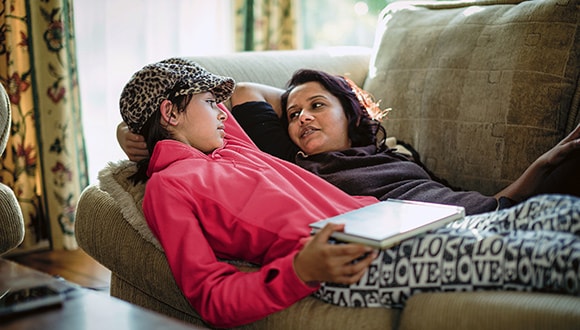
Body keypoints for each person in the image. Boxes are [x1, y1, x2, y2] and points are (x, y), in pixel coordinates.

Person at [118, 58, 580, 329]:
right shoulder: (169, 188)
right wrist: (298, 271)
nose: (222, 111)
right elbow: (210, 297)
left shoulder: (229, 145)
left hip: (394, 219)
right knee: (548, 257)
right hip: (357, 259)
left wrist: (135, 128)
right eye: (208, 103)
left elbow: (243, 92)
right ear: (171, 112)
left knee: (558, 215)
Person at [119, 69, 580, 215]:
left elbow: (486, 203)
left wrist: (544, 164)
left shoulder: (394, 152)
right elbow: (243, 95)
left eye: (317, 107)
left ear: (352, 113)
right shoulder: (294, 167)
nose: (301, 118)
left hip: (483, 217)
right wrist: (130, 132)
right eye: (294, 114)